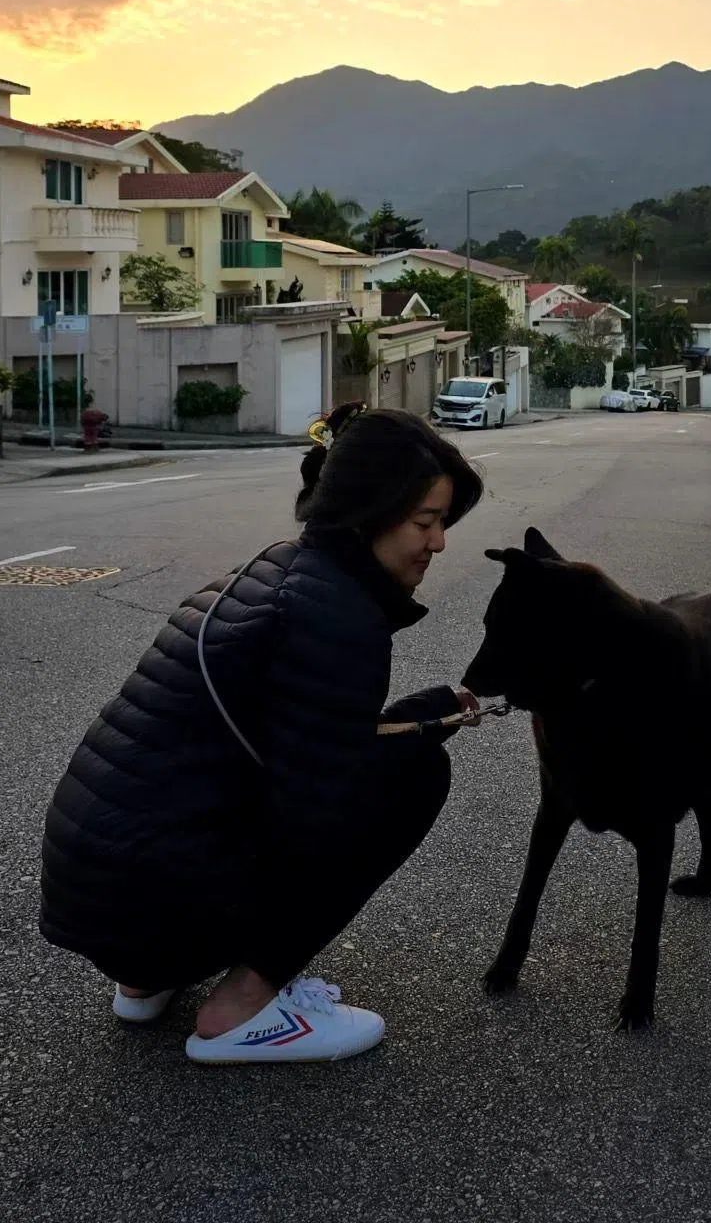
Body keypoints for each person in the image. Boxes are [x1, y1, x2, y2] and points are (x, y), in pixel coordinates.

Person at [39, 403, 484, 1064]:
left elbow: (296, 738)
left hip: (94, 895)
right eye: (427, 521)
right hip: (149, 903)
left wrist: (434, 710)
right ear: (369, 512)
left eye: (442, 522)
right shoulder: (339, 615)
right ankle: (241, 1009)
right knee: (416, 777)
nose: (439, 543)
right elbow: (313, 814)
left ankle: (146, 981)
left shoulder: (278, 570)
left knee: (234, 786)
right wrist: (422, 733)